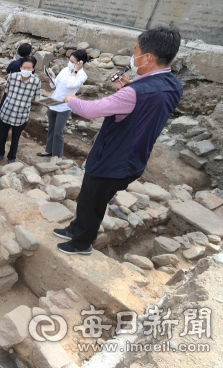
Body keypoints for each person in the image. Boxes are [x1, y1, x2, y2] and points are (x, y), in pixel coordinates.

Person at [54, 27, 183, 255]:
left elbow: (92, 110)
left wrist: (70, 98)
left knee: (92, 199)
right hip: (135, 157)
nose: (133, 57)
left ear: (149, 57)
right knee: (92, 197)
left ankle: (81, 243)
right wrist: (127, 88)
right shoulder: (173, 85)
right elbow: (144, 111)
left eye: (136, 52)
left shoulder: (134, 93)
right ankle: (76, 228)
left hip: (113, 157)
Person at [37, 50, 88, 158]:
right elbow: (55, 85)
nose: (69, 63)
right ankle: (48, 150)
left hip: (64, 106)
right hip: (53, 102)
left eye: (72, 61)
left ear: (80, 63)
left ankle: (58, 156)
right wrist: (52, 77)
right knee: (51, 128)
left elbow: (70, 85)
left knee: (58, 132)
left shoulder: (82, 75)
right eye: (69, 60)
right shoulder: (65, 69)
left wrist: (75, 71)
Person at [0, 56, 41, 164]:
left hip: (21, 115)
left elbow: (35, 98)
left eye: (29, 68)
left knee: (16, 138)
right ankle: (0, 153)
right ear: (20, 67)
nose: (26, 70)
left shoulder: (36, 82)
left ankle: (11, 157)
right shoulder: (12, 76)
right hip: (6, 112)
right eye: (24, 67)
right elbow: (7, 91)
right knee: (2, 136)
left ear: (33, 69)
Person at [0, 43, 32, 128]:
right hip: (23, 89)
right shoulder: (29, 65)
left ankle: (0, 123)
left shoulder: (14, 63)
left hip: (11, 88)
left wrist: (14, 61)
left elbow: (7, 71)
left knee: (4, 105)